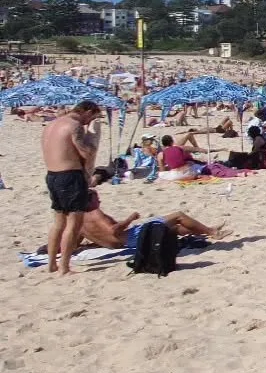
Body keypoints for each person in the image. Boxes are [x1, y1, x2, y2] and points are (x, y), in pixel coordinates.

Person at [80, 175, 229, 251]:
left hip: (121, 244)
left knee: (172, 228)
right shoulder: (95, 213)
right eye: (97, 199)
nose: (99, 202)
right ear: (90, 201)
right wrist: (130, 218)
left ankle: (202, 231)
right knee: (178, 215)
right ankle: (212, 231)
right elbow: (114, 231)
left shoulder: (78, 220)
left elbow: (76, 242)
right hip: (132, 237)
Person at [42, 100, 103, 275]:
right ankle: (64, 268)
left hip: (52, 175)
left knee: (58, 223)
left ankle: (52, 264)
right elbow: (86, 152)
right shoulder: (74, 126)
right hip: (70, 176)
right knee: (73, 224)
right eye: (92, 117)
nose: (89, 121)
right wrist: (92, 139)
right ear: (88, 112)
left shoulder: (52, 124)